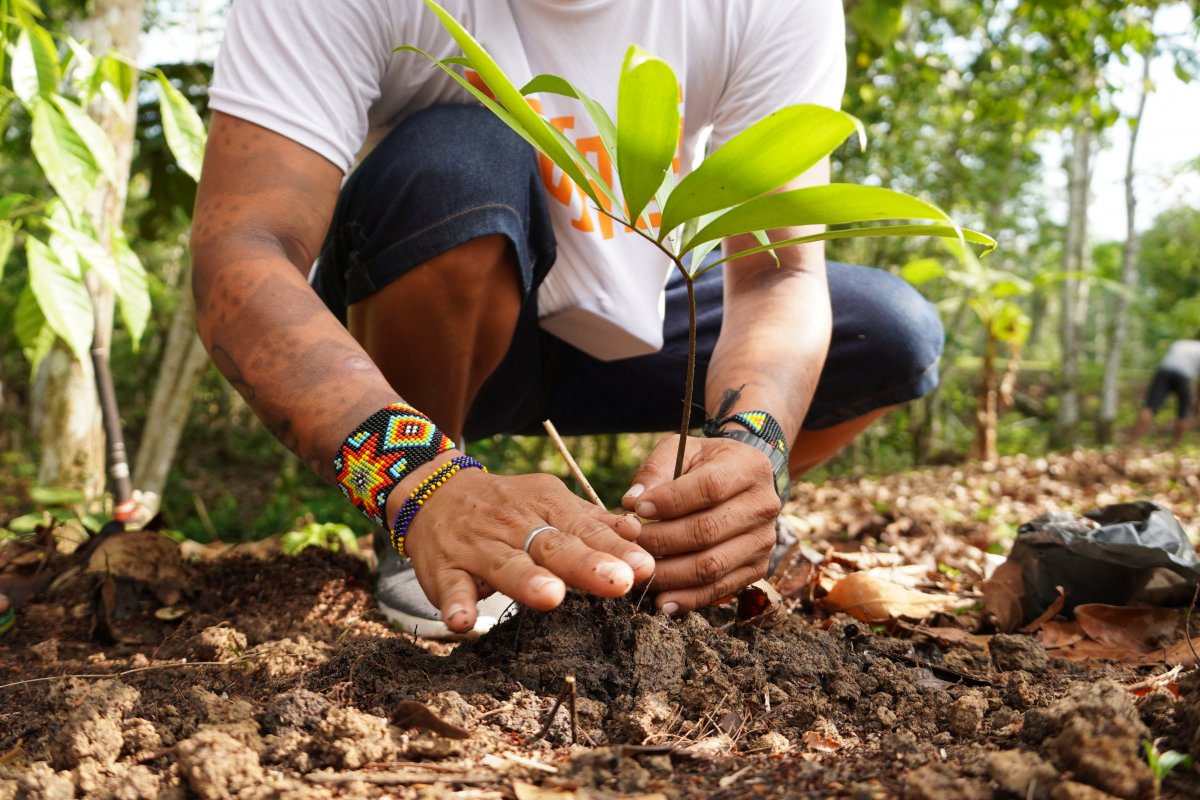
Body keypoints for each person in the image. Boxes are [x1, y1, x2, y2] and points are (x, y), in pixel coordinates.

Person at [193, 0, 944, 638]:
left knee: (881, 329)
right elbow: (241, 253)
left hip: (634, 331)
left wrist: (756, 447)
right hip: (428, 323)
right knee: (455, 160)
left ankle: (685, 511)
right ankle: (426, 511)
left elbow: (775, 275)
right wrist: (411, 476)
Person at [1131, 335, 1200, 447]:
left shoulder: (1180, 342)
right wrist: (1197, 402)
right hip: (1184, 376)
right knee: (1183, 412)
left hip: (1163, 372)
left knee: (1150, 406)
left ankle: (1133, 442)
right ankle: (1174, 446)